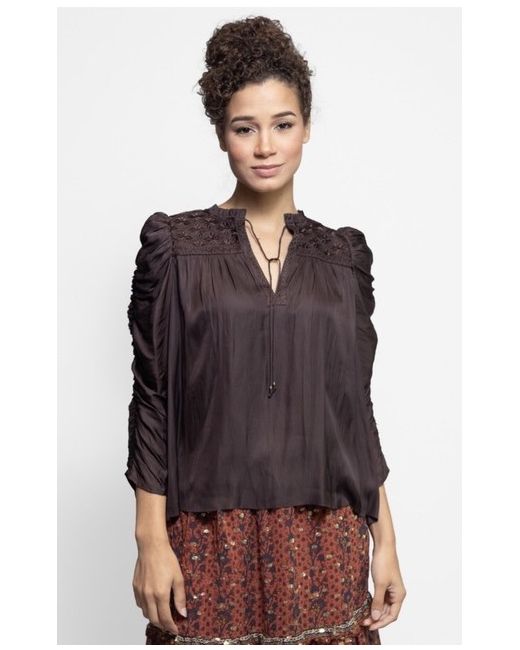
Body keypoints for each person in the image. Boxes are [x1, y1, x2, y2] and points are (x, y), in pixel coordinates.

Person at [125, 15, 406, 645]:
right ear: (221, 135)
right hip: (206, 535)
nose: (265, 147)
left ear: (306, 127)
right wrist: (149, 539)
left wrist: (385, 539)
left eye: (283, 124)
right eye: (244, 128)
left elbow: (352, 409)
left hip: (327, 535)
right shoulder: (176, 247)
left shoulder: (342, 258)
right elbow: (153, 400)